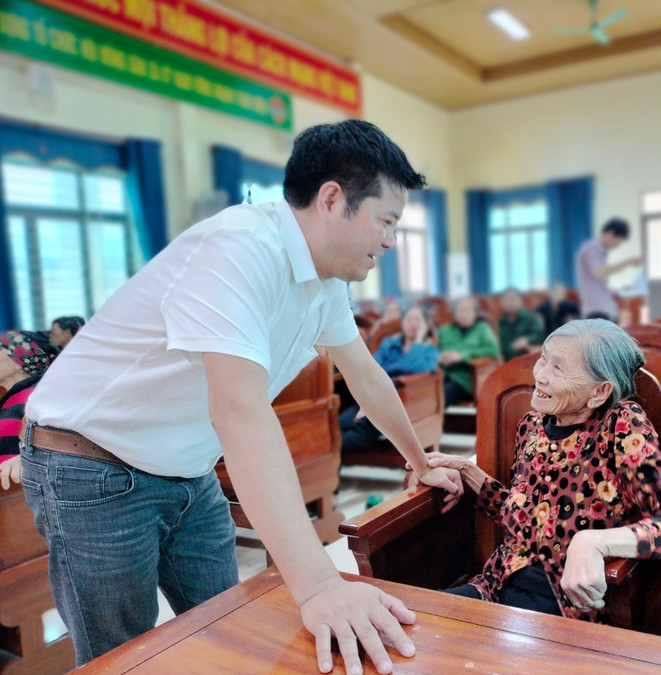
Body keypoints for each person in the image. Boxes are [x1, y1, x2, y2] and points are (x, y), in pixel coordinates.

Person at [18, 120, 462, 674]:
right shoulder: (241, 247)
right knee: (122, 657)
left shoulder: (325, 281)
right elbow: (240, 412)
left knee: (223, 627)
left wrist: (420, 463)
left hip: (187, 468)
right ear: (332, 199)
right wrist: (321, 583)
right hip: (92, 462)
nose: (391, 241)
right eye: (386, 221)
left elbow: (367, 376)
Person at [424, 319, 661, 619]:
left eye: (558, 368)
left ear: (599, 392)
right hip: (493, 587)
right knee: (410, 617)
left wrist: (593, 543)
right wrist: (468, 473)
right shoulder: (531, 426)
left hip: (565, 610)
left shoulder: (621, 425)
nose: (540, 376)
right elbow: (526, 517)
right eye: (543, 359)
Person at [340, 305, 439, 453]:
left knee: (359, 430)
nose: (413, 323)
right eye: (409, 319)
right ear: (403, 324)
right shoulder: (389, 345)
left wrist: (418, 342)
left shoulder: (429, 350)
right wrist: (366, 402)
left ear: (425, 325)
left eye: (418, 320)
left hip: (400, 404)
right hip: (373, 396)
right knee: (339, 425)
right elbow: (372, 370)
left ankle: (322, 458)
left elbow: (418, 368)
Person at [0, 331, 55, 489]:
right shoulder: (8, 400)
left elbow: (57, 445)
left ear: (19, 363)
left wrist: (24, 458)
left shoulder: (38, 395)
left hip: (20, 495)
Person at [436, 296, 501, 406]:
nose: (464, 314)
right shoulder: (445, 330)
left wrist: (462, 356)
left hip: (466, 379)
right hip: (442, 375)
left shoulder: (482, 328)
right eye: (460, 310)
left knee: (442, 395)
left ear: (475, 314)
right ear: (454, 314)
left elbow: (493, 350)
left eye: (468, 310)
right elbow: (432, 349)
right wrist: (440, 356)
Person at [575, 218, 642, 322]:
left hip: (601, 309)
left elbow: (595, 283)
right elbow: (598, 272)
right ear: (611, 234)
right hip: (596, 311)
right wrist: (628, 262)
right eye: (616, 243)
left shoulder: (600, 250)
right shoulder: (592, 249)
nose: (616, 247)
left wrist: (618, 290)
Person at [497, 288, 545, 361]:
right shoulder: (500, 322)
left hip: (526, 360)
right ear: (502, 303)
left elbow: (540, 335)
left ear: (520, 301)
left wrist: (527, 339)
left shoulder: (531, 318)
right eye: (507, 300)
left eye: (513, 299)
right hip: (505, 361)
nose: (510, 303)